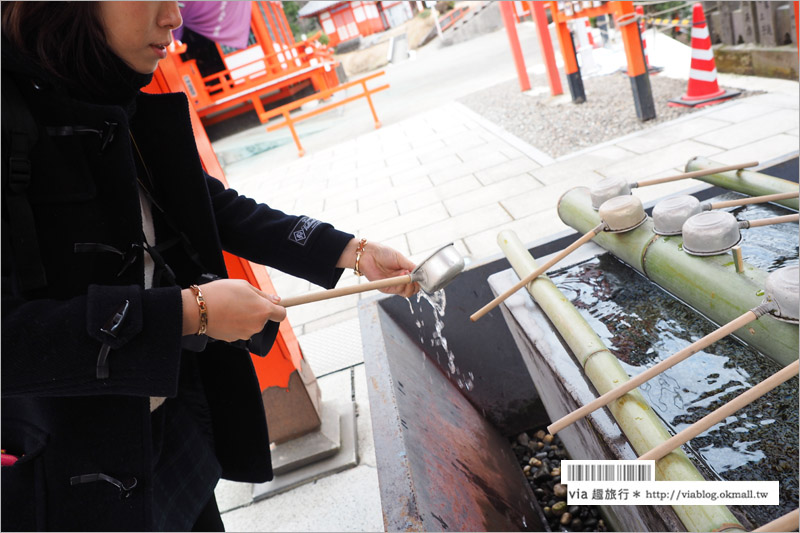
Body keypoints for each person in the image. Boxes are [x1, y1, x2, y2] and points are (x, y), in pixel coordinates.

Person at [1, 2, 419, 531]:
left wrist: (350, 251)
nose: (173, 17)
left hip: (169, 423)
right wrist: (186, 314)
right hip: (65, 467)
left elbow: (204, 203)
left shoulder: (110, 95)